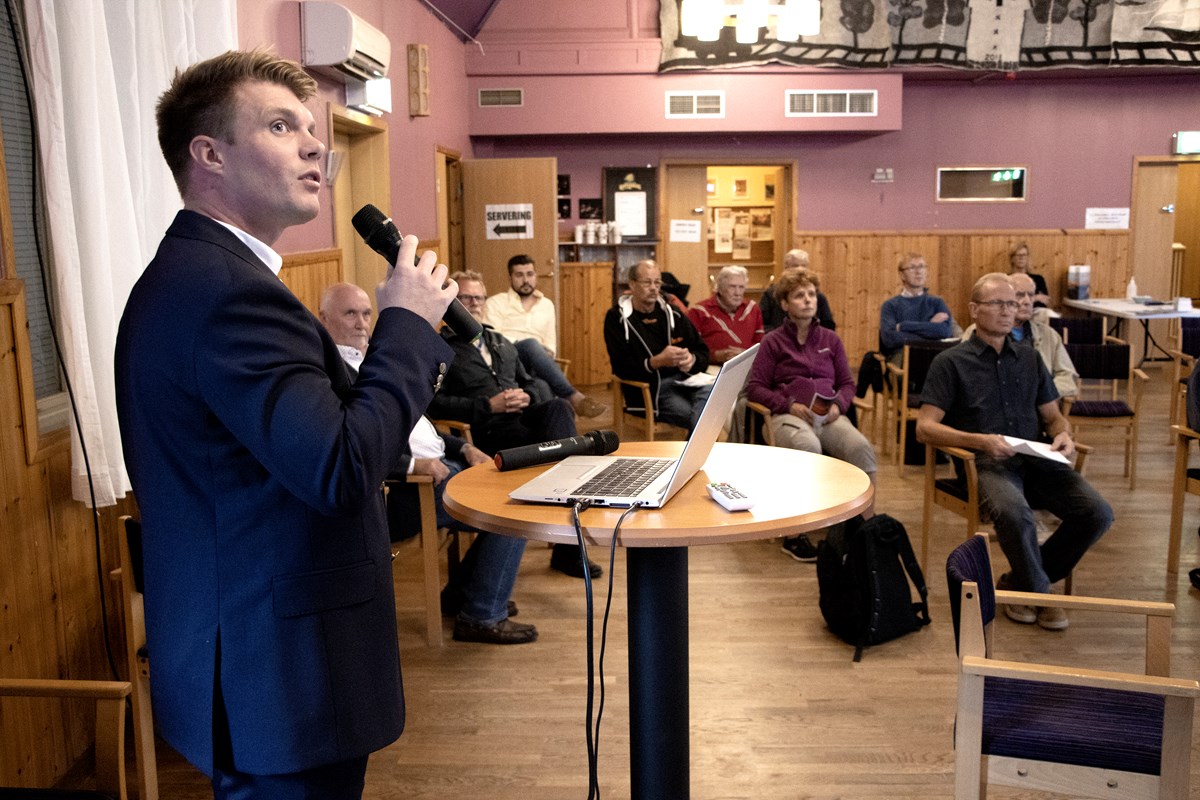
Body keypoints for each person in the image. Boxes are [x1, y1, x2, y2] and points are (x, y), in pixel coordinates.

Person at [114, 50, 457, 798]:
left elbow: (285, 452)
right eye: (280, 125)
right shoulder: (226, 294)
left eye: (313, 129)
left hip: (256, 653)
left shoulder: (209, 277)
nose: (315, 148)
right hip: (275, 666)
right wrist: (401, 326)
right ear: (209, 154)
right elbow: (338, 469)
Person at [319, 283, 536, 645]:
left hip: (441, 463)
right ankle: (481, 614)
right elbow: (347, 444)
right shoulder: (330, 372)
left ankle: (463, 594)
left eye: (367, 313)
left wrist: (460, 448)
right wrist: (410, 465)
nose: (361, 322)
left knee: (510, 485)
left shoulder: (373, 360)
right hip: (400, 492)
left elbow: (417, 426)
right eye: (350, 313)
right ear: (323, 319)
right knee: (511, 505)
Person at [916, 273, 1113, 631]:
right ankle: (1041, 594)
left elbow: (1052, 417)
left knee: (1098, 513)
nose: (1009, 311)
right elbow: (925, 427)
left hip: (1039, 459)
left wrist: (1064, 435)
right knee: (1015, 514)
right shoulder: (951, 361)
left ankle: (1020, 584)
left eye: (1013, 303)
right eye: (998, 303)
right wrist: (981, 441)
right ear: (974, 309)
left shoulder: (1029, 357)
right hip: (987, 463)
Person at [431, 270, 601, 579]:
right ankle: (567, 535)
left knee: (558, 408)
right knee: (561, 456)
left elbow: (532, 383)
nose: (472, 304)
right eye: (464, 298)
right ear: (449, 303)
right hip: (485, 432)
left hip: (521, 422)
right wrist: (487, 405)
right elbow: (433, 404)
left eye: (478, 298)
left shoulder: (499, 341)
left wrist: (527, 394)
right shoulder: (440, 348)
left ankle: (566, 523)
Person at [746, 268, 877, 562]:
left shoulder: (831, 339)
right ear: (784, 305)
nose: (807, 300)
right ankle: (795, 534)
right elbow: (755, 389)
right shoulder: (773, 341)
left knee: (861, 448)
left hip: (827, 415)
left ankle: (866, 530)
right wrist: (787, 404)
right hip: (785, 417)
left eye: (811, 294)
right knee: (807, 447)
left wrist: (838, 406)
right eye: (798, 296)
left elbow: (847, 383)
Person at [483, 254, 606, 418]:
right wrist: (527, 346)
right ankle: (574, 397)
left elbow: (550, 346)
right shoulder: (496, 302)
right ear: (510, 278)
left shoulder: (547, 305)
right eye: (519, 275)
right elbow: (494, 341)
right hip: (506, 362)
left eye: (530, 274)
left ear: (535, 276)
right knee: (531, 345)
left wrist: (541, 353)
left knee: (542, 386)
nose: (525, 280)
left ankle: (554, 439)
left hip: (535, 365)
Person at [604, 259, 713, 431]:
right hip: (653, 390)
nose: (654, 288)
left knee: (715, 396)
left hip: (687, 380)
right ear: (632, 284)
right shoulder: (616, 318)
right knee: (700, 416)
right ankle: (697, 450)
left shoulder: (673, 314)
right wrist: (656, 362)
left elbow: (703, 352)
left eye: (657, 282)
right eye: (647, 282)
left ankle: (693, 448)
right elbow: (620, 367)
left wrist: (691, 360)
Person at [961, 272, 1077, 400]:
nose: (1027, 301)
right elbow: (967, 375)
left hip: (1041, 408)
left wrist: (1044, 393)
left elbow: (1067, 374)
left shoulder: (1049, 335)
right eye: (1020, 295)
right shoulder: (978, 331)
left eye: (1031, 295)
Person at [879, 252, 958, 363]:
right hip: (904, 356)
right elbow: (890, 339)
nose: (918, 272)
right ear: (902, 275)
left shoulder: (937, 302)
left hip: (935, 356)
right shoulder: (890, 305)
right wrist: (931, 328)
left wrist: (904, 326)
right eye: (912, 267)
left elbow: (945, 332)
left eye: (922, 266)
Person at [687, 265, 764, 365]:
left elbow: (761, 345)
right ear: (720, 288)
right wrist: (715, 356)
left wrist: (744, 354)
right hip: (711, 369)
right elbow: (690, 350)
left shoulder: (753, 308)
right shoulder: (699, 311)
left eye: (741, 287)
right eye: (732, 287)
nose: (737, 293)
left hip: (747, 367)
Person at [759, 249, 836, 331]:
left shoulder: (818, 296)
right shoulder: (771, 294)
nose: (800, 270)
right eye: (795, 266)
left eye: (803, 266)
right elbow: (762, 324)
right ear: (786, 268)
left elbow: (828, 325)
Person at [1008, 241, 1052, 308]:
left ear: (1028, 258)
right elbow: (1007, 301)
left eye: (1024, 255)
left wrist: (1019, 298)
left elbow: (1044, 302)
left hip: (1035, 313)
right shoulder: (1006, 279)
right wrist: (1035, 298)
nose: (1021, 258)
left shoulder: (1038, 279)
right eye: (1018, 255)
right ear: (1012, 259)